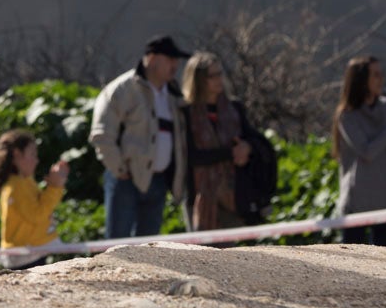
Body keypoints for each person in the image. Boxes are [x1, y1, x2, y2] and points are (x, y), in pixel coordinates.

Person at [89, 34, 189, 239]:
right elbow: (101, 134)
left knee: (149, 247)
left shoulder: (173, 95)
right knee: (119, 244)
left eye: (176, 59)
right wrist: (119, 169)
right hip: (126, 180)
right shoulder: (122, 89)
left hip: (159, 180)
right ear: (151, 58)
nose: (175, 64)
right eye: (170, 58)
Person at [179, 52, 263, 232]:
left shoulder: (234, 109)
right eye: (212, 76)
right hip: (199, 197)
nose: (218, 80)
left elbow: (253, 139)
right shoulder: (186, 113)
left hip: (233, 195)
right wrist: (229, 153)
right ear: (199, 80)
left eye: (220, 74)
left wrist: (246, 147)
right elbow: (190, 156)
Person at [332, 55, 386, 246]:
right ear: (361, 80)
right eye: (375, 75)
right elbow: (367, 152)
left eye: (381, 74)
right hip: (357, 202)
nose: (381, 79)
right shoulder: (347, 116)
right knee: (353, 261)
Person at [0, 129, 68, 269]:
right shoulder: (16, 187)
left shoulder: (24, 181)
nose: (37, 160)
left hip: (31, 251)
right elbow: (37, 215)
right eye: (33, 154)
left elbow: (39, 207)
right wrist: (54, 188)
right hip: (24, 256)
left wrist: (54, 185)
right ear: (17, 155)